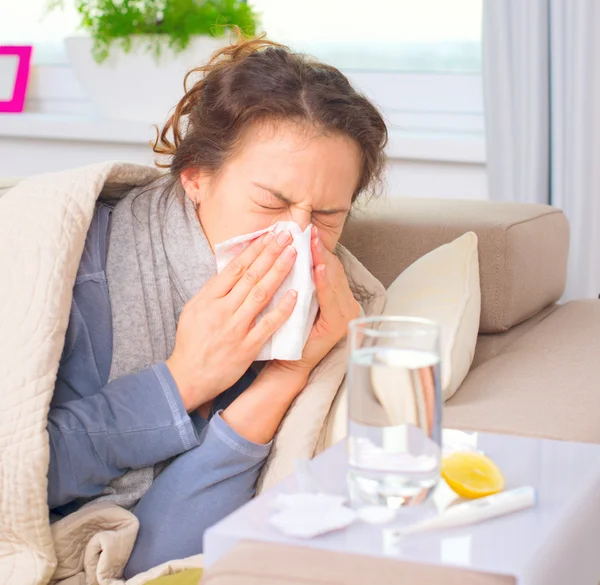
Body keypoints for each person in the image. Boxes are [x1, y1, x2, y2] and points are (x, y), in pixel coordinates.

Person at [47, 36, 388, 577]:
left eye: (326, 214)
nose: (296, 234)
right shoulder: (77, 273)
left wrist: (283, 377)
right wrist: (180, 384)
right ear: (196, 178)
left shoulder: (337, 310)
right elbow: (23, 476)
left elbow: (171, 563)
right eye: (271, 202)